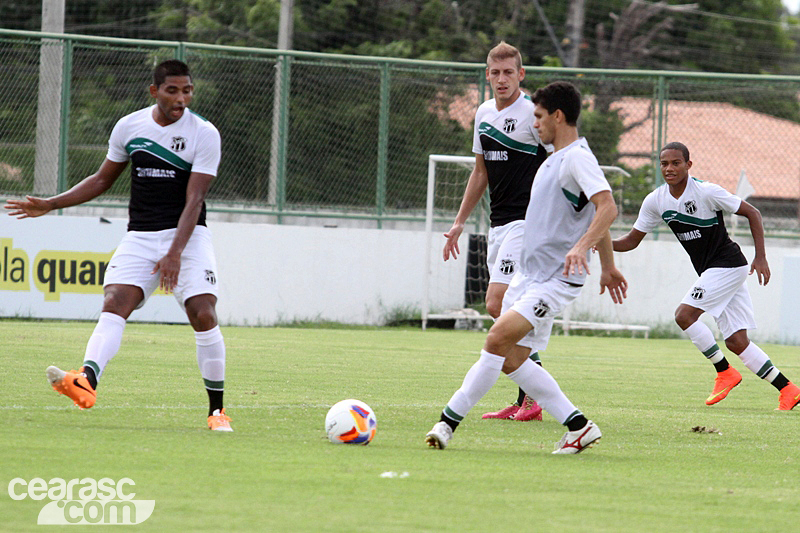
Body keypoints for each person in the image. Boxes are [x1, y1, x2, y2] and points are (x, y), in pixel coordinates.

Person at [4, 59, 233, 431]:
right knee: (114, 302)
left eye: (187, 90)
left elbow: (195, 200)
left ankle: (217, 411)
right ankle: (87, 381)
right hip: (141, 236)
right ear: (154, 91)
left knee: (203, 312)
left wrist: (175, 252)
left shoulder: (204, 133)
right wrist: (51, 203)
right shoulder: (130, 126)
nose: (181, 98)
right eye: (172, 90)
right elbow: (101, 180)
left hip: (188, 237)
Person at [426, 81, 628, 453]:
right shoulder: (553, 158)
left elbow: (607, 206)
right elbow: (590, 213)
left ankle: (447, 422)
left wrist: (586, 250)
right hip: (529, 276)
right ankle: (578, 426)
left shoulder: (577, 158)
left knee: (496, 339)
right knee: (510, 358)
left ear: (557, 116)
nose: (533, 123)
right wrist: (609, 267)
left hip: (555, 280)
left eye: (538, 116)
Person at [613, 142, 800, 410]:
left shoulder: (706, 192)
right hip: (715, 271)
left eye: (676, 163)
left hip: (727, 265)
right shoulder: (656, 200)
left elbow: (753, 213)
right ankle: (788, 389)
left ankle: (724, 372)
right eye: (664, 163)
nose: (669, 168)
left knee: (684, 315)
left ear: (688, 165)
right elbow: (631, 240)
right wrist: (600, 240)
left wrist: (761, 256)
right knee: (737, 341)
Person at [443, 41, 549, 423]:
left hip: (529, 224)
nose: (501, 79)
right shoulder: (484, 114)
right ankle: (530, 399)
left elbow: (561, 163)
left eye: (509, 72)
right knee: (503, 309)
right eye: (495, 72)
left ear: (521, 75)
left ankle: (536, 397)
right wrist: (459, 222)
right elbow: (480, 172)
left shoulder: (535, 114)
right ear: (487, 75)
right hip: (499, 225)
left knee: (497, 303)